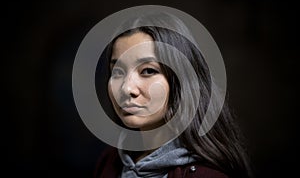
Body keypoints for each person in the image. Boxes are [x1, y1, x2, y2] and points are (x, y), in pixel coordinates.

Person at [94, 12, 252, 178]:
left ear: (181, 80)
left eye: (148, 71)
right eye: (118, 72)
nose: (127, 89)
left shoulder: (206, 175)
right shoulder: (110, 162)